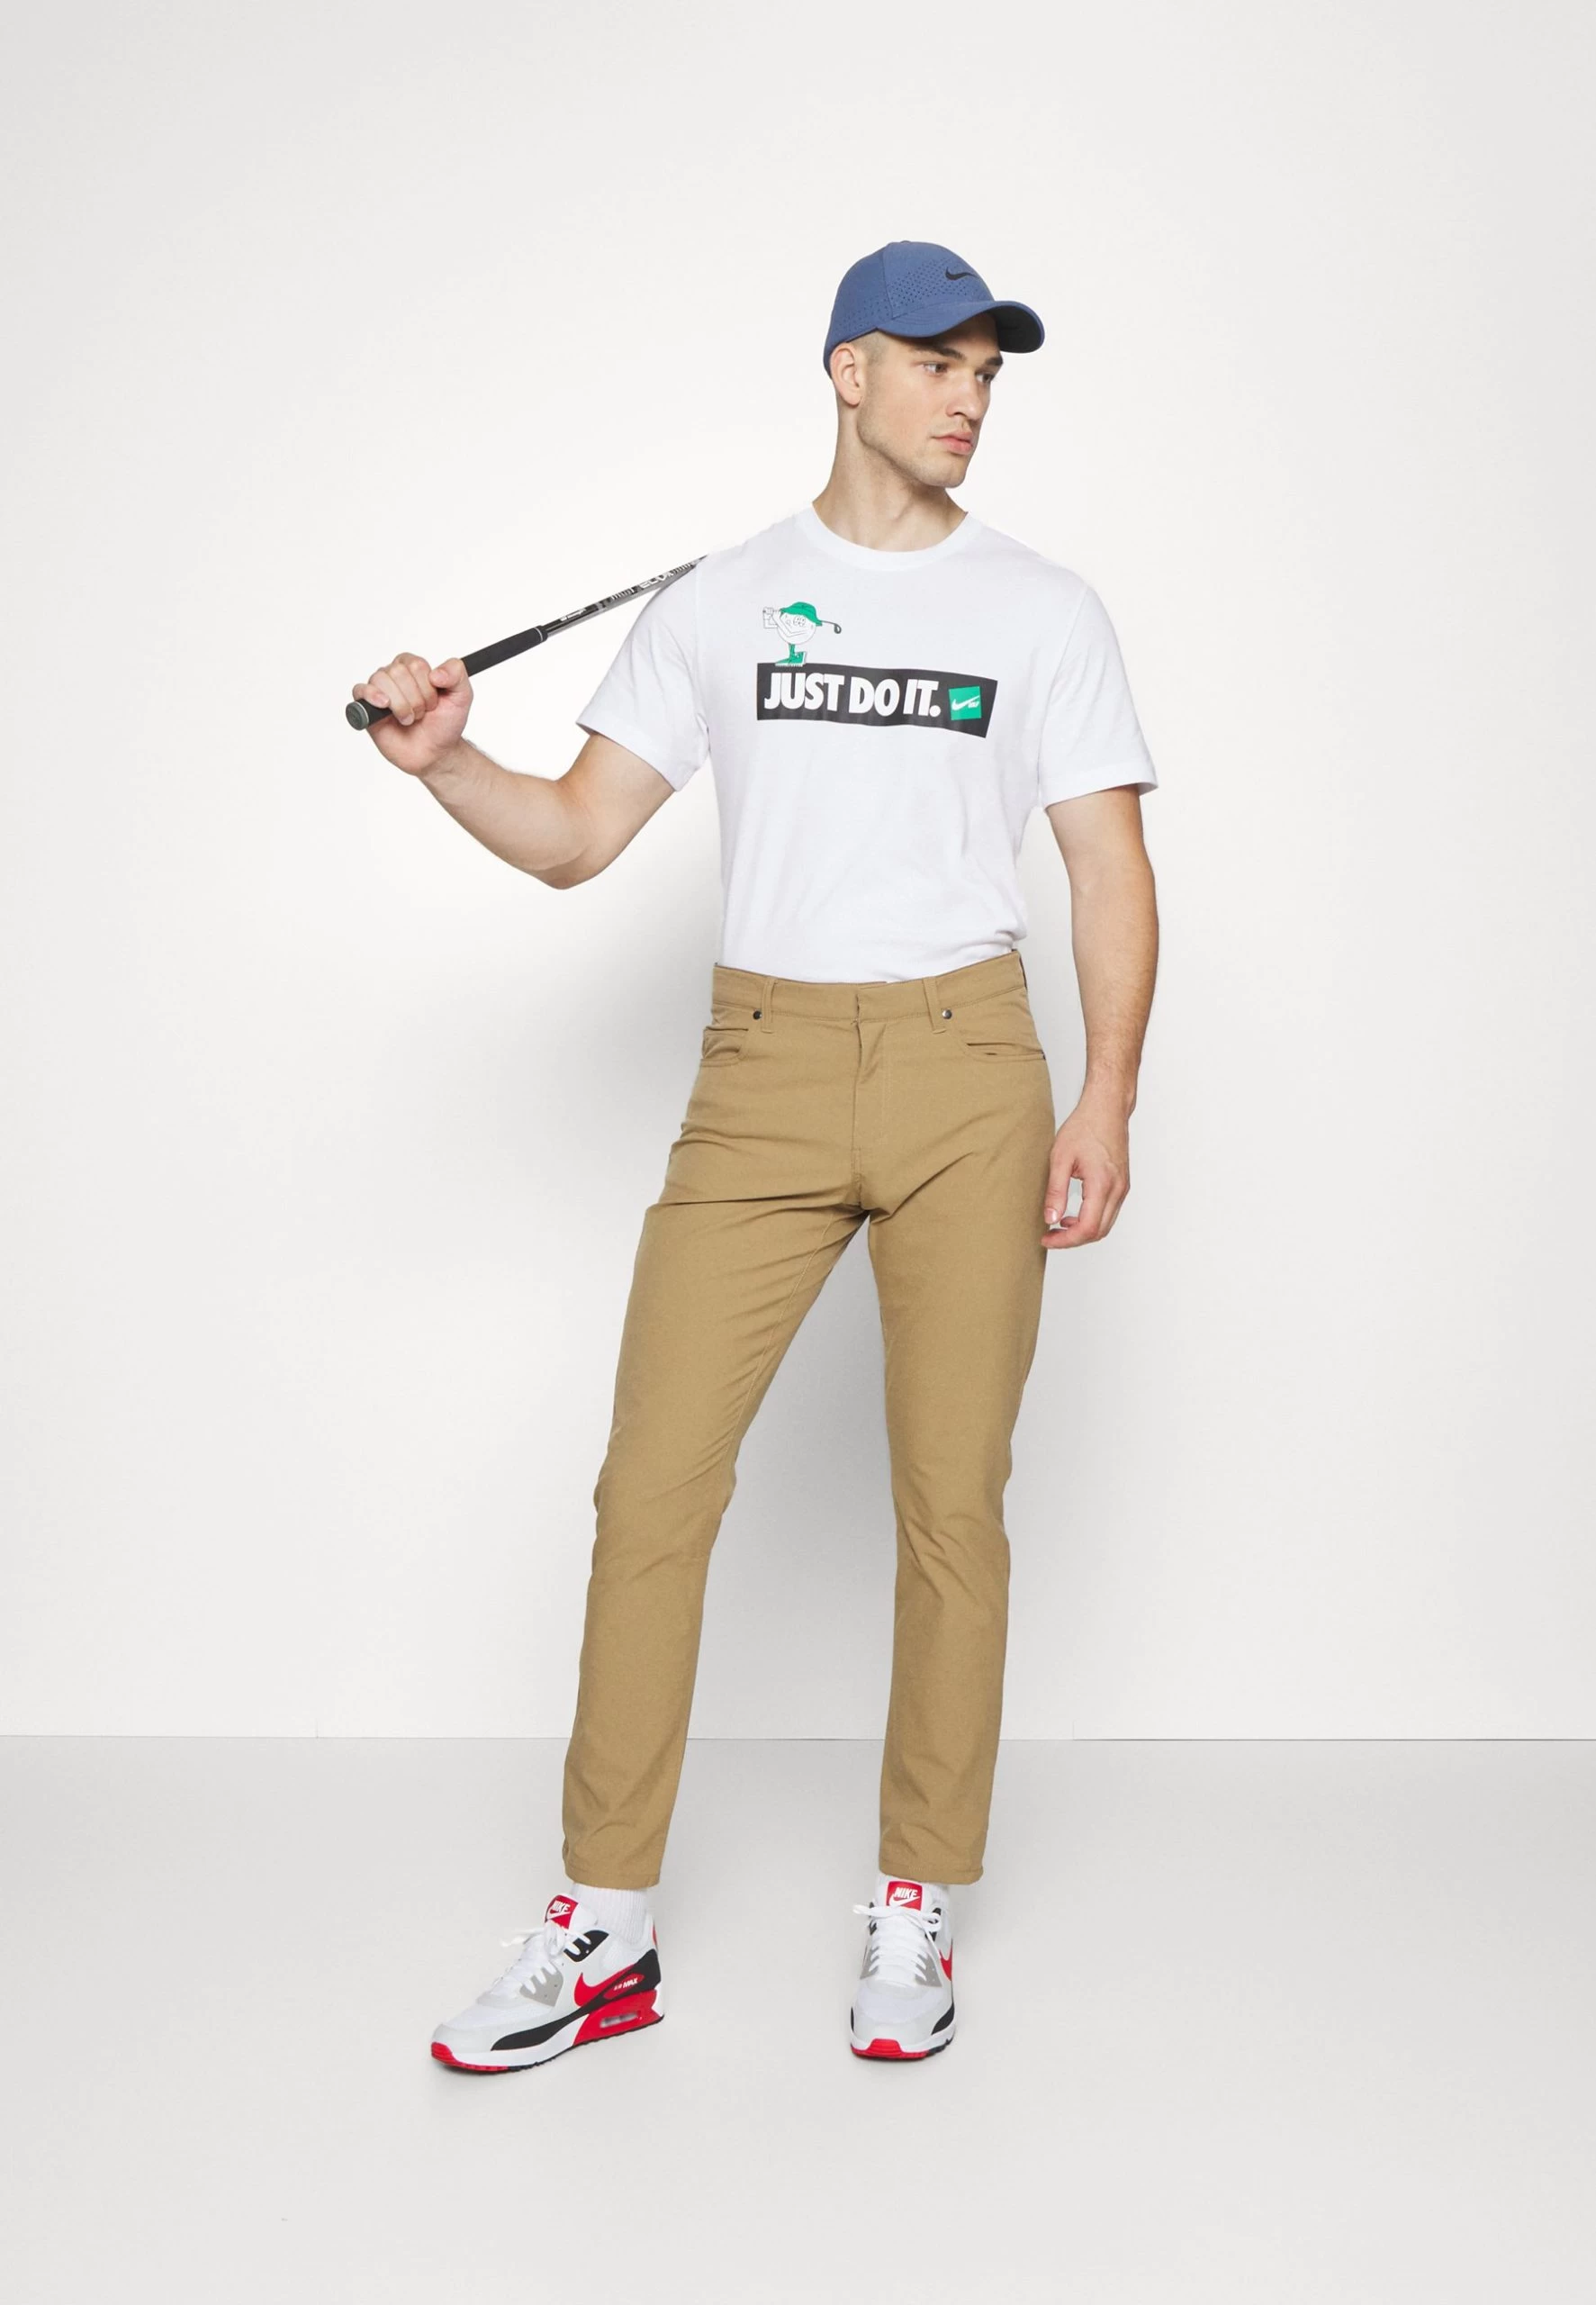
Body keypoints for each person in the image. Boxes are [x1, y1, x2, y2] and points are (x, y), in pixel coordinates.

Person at [350, 240, 1160, 2072]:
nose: (969, 397)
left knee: (951, 1504)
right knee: (652, 1490)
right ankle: (603, 1926)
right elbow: (576, 835)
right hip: (760, 1073)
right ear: (846, 371)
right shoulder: (721, 601)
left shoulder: (1043, 608)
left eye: (989, 372)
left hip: (968, 1066)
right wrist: (446, 766)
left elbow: (1108, 863)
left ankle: (914, 1896)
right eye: (938, 361)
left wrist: (1105, 1095)